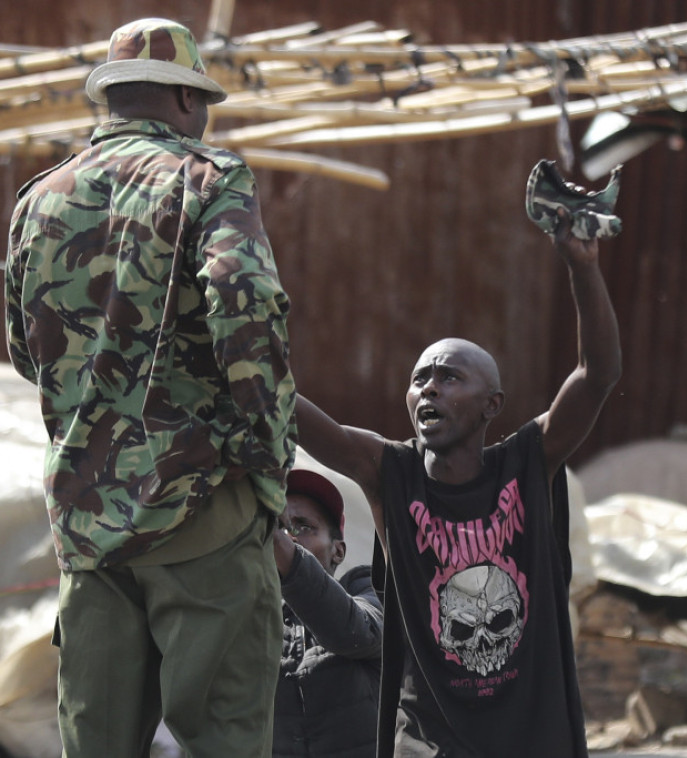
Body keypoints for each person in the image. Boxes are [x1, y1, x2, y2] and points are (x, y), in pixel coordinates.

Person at [4, 17, 296, 757]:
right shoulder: (208, 179)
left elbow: (25, 354)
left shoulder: (37, 200)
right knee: (224, 739)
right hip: (202, 508)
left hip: (88, 527)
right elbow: (246, 313)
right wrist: (268, 462)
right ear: (185, 100)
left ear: (113, 97)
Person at [296, 204, 621, 757]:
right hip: (431, 740)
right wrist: (236, 335)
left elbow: (598, 375)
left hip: (530, 738)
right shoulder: (389, 472)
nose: (430, 388)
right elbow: (287, 409)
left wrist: (582, 265)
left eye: (449, 378)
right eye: (420, 379)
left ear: (492, 404)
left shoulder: (528, 461)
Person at [273, 468, 383, 757]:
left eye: (302, 526)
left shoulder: (369, 588)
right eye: (279, 526)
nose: (288, 537)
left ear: (338, 551)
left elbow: (361, 632)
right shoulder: (247, 613)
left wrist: (283, 549)